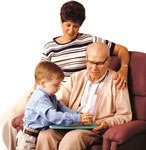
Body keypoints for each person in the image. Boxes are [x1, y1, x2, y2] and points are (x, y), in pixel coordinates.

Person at [0, 1, 130, 150]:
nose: (71, 30)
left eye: (75, 26)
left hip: (65, 97)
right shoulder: (51, 48)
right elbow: (41, 72)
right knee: (8, 119)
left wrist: (123, 69)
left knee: (60, 131)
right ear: (61, 22)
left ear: (108, 61)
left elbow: (122, 50)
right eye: (68, 25)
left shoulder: (90, 41)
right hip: (48, 90)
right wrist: (38, 93)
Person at [36, 42, 132, 150]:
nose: (94, 68)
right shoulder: (76, 77)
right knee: (46, 135)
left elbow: (125, 115)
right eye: (91, 62)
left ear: (108, 60)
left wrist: (106, 123)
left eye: (100, 63)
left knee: (72, 139)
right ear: (86, 58)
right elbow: (59, 100)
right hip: (70, 122)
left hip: (93, 129)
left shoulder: (117, 80)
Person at [16, 61, 91, 150]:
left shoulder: (51, 96)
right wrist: (76, 118)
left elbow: (62, 108)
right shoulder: (40, 98)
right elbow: (53, 116)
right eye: (56, 85)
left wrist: (78, 115)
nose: (58, 88)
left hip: (37, 134)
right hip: (28, 139)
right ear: (43, 83)